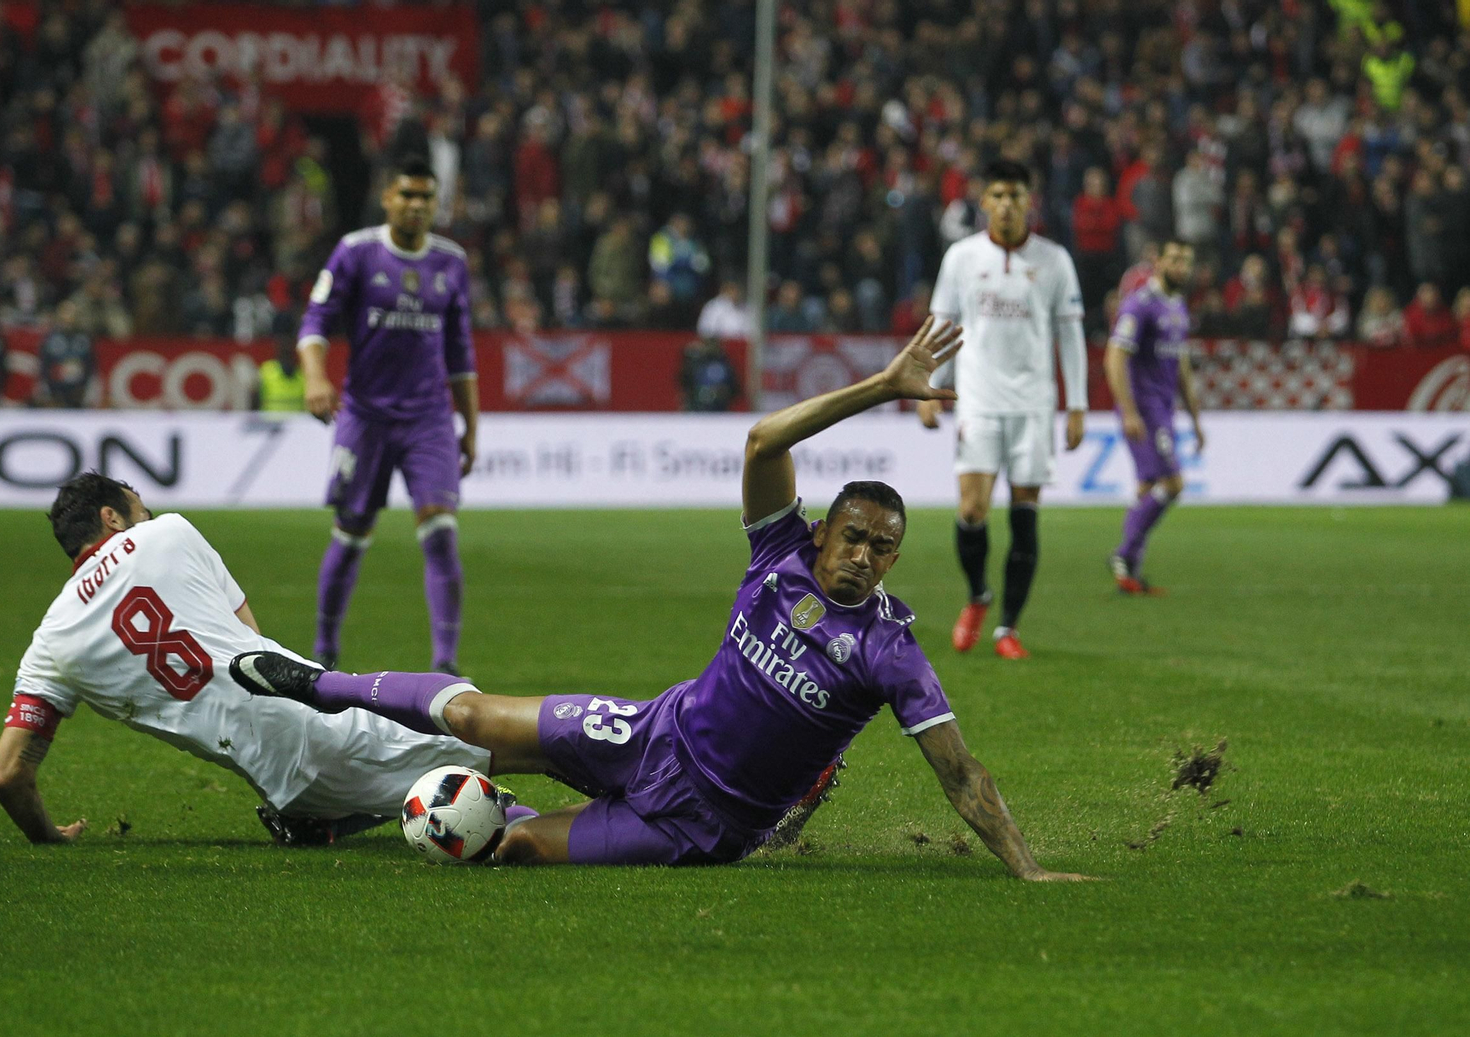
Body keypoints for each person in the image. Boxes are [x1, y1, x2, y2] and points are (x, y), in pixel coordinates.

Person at [230, 319, 1091, 880]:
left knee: (512, 844)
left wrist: (1027, 866)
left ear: (895, 559)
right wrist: (881, 386)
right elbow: (762, 439)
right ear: (823, 530)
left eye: (881, 548)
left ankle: (384, 811)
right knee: (474, 717)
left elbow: (959, 771)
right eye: (853, 536)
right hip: (651, 733)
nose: (862, 557)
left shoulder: (889, 651)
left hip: (703, 825)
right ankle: (314, 682)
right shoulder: (780, 553)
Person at [0, 473, 512, 847]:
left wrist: (48, 837)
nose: (146, 515)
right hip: (318, 724)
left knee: (424, 778)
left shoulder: (51, 640)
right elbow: (252, 644)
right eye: (138, 507)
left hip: (279, 782)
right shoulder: (168, 532)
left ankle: (325, 822)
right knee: (495, 746)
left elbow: (8, 775)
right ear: (111, 517)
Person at [296, 155, 477, 673]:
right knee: (351, 533)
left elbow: (460, 353)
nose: (416, 205)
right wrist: (315, 376)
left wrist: (470, 428)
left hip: (428, 419)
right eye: (407, 195)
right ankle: (325, 653)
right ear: (387, 199)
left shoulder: (452, 262)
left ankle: (445, 667)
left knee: (440, 532)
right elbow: (315, 322)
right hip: (366, 417)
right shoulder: (356, 252)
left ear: (436, 203)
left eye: (426, 197)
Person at [916, 160, 1088, 660]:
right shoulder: (962, 257)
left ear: (1029, 201)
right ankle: (978, 596)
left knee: (1024, 512)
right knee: (972, 508)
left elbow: (1070, 334)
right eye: (998, 195)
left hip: (1034, 403)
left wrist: (1077, 405)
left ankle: (1007, 627)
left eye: (1016, 195)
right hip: (979, 399)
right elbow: (943, 325)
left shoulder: (1054, 260)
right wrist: (929, 386)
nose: (1007, 205)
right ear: (984, 202)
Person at [1104, 241, 1204, 595]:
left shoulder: (1177, 305)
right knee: (1173, 483)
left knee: (1148, 488)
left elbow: (1181, 366)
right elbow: (1114, 357)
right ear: (1157, 261)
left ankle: (1129, 573)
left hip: (1164, 408)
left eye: (1186, 261)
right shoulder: (1140, 304)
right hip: (1144, 409)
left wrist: (1195, 419)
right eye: (1174, 259)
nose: (1181, 267)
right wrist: (1129, 410)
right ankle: (1123, 554)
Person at [36, 299, 94, 408]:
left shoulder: (84, 338)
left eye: (72, 313)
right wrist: (47, 389)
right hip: (56, 390)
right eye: (65, 312)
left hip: (78, 391)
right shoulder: (50, 339)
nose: (68, 317)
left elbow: (90, 365)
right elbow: (44, 365)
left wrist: (87, 390)